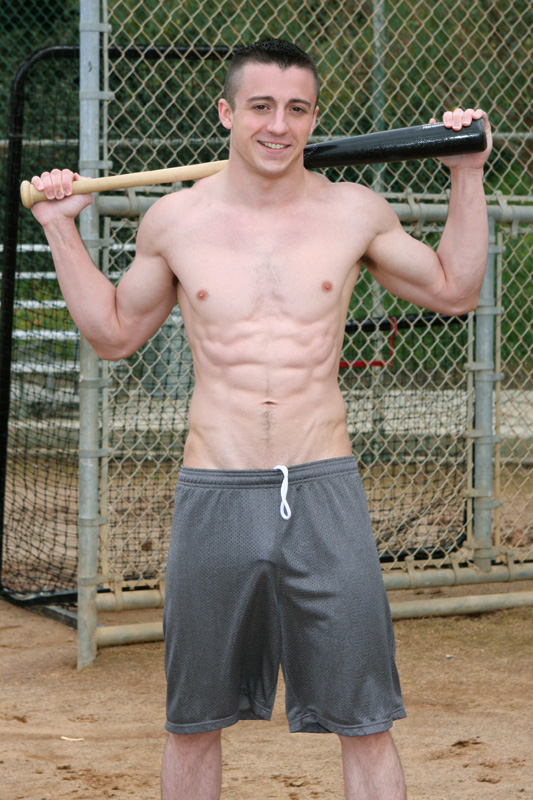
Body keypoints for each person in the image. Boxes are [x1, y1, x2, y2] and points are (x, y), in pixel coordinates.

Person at [30, 38, 491, 800]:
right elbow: (112, 333)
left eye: (297, 109)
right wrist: (58, 225)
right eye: (261, 107)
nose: (279, 125)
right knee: (193, 720)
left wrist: (465, 175)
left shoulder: (353, 212)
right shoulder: (176, 220)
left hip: (323, 490)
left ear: (313, 117)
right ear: (226, 112)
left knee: (365, 717)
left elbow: (454, 289)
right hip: (215, 489)